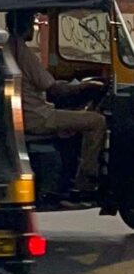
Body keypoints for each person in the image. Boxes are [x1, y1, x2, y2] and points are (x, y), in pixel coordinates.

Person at [6, 10, 106, 196]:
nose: (35, 28)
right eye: (33, 24)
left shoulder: (8, 48)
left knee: (76, 119)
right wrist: (86, 86)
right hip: (38, 117)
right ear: (25, 25)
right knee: (96, 122)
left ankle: (68, 177)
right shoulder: (22, 52)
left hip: (29, 114)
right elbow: (54, 89)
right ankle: (86, 180)